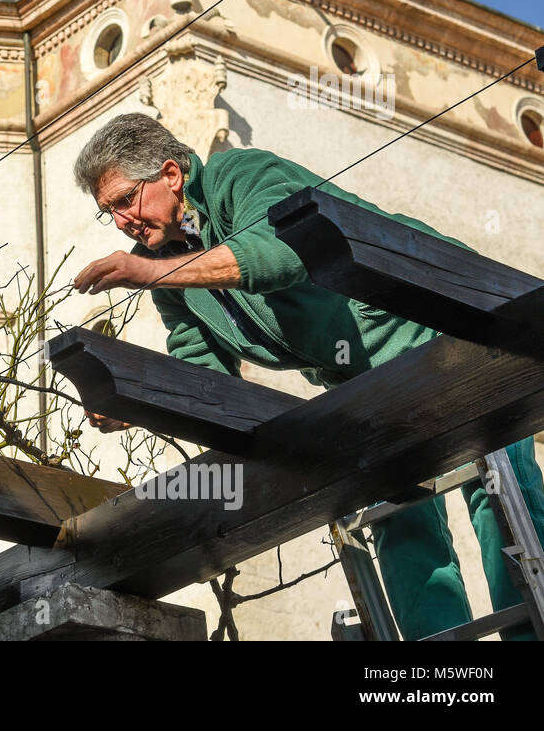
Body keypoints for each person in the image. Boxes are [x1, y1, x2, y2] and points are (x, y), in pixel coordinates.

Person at [70, 112, 544, 641]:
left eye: (124, 201)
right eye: (106, 212)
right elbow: (200, 369)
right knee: (394, 512)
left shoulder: (240, 177)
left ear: (171, 175)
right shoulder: (165, 271)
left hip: (441, 324)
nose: (120, 222)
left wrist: (157, 271)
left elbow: (281, 251)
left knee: (495, 477)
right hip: (359, 383)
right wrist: (136, 402)